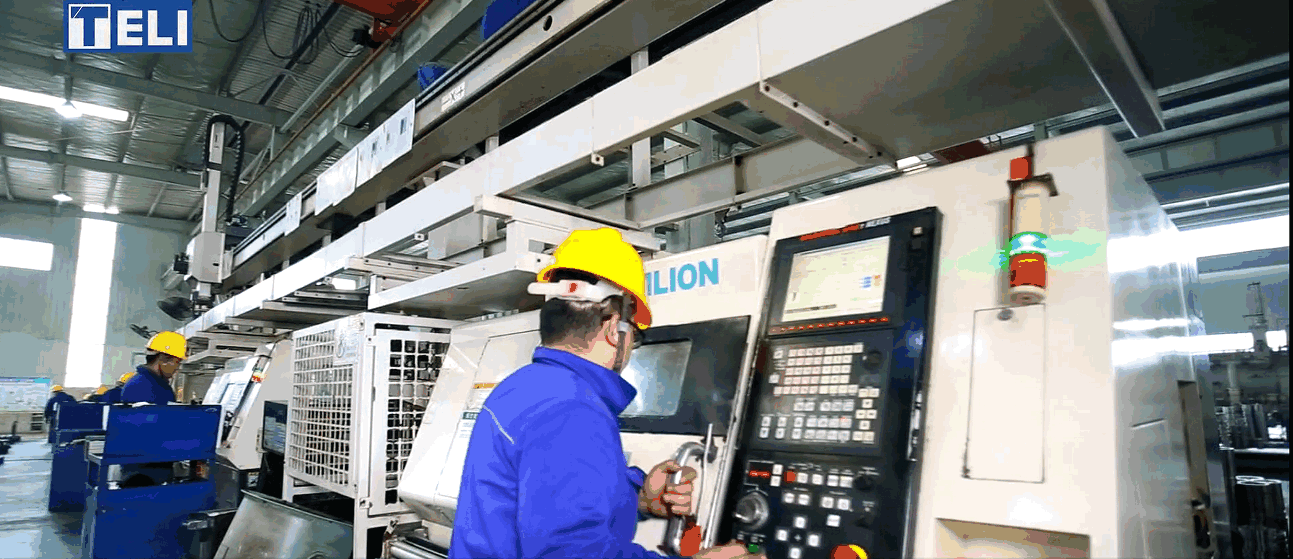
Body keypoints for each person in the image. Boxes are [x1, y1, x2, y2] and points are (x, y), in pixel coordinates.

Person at [449, 228, 763, 559]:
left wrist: (639, 498)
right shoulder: (573, 409)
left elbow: (546, 501)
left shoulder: (520, 387)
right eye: (635, 336)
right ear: (615, 329)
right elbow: (570, 553)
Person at [121, 331, 185, 405]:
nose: (177, 367)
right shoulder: (143, 387)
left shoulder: (153, 383)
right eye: (177, 362)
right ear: (164, 358)